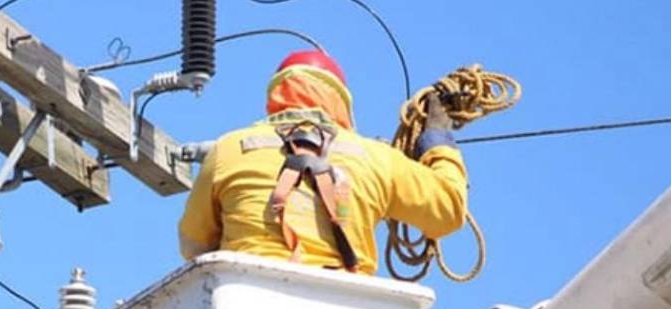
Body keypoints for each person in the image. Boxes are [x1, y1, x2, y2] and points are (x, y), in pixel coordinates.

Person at [179, 50, 469, 275]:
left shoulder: (229, 149)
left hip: (246, 300)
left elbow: (194, 244)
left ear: (275, 95)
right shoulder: (377, 158)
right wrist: (437, 138)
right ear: (341, 101)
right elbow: (449, 208)